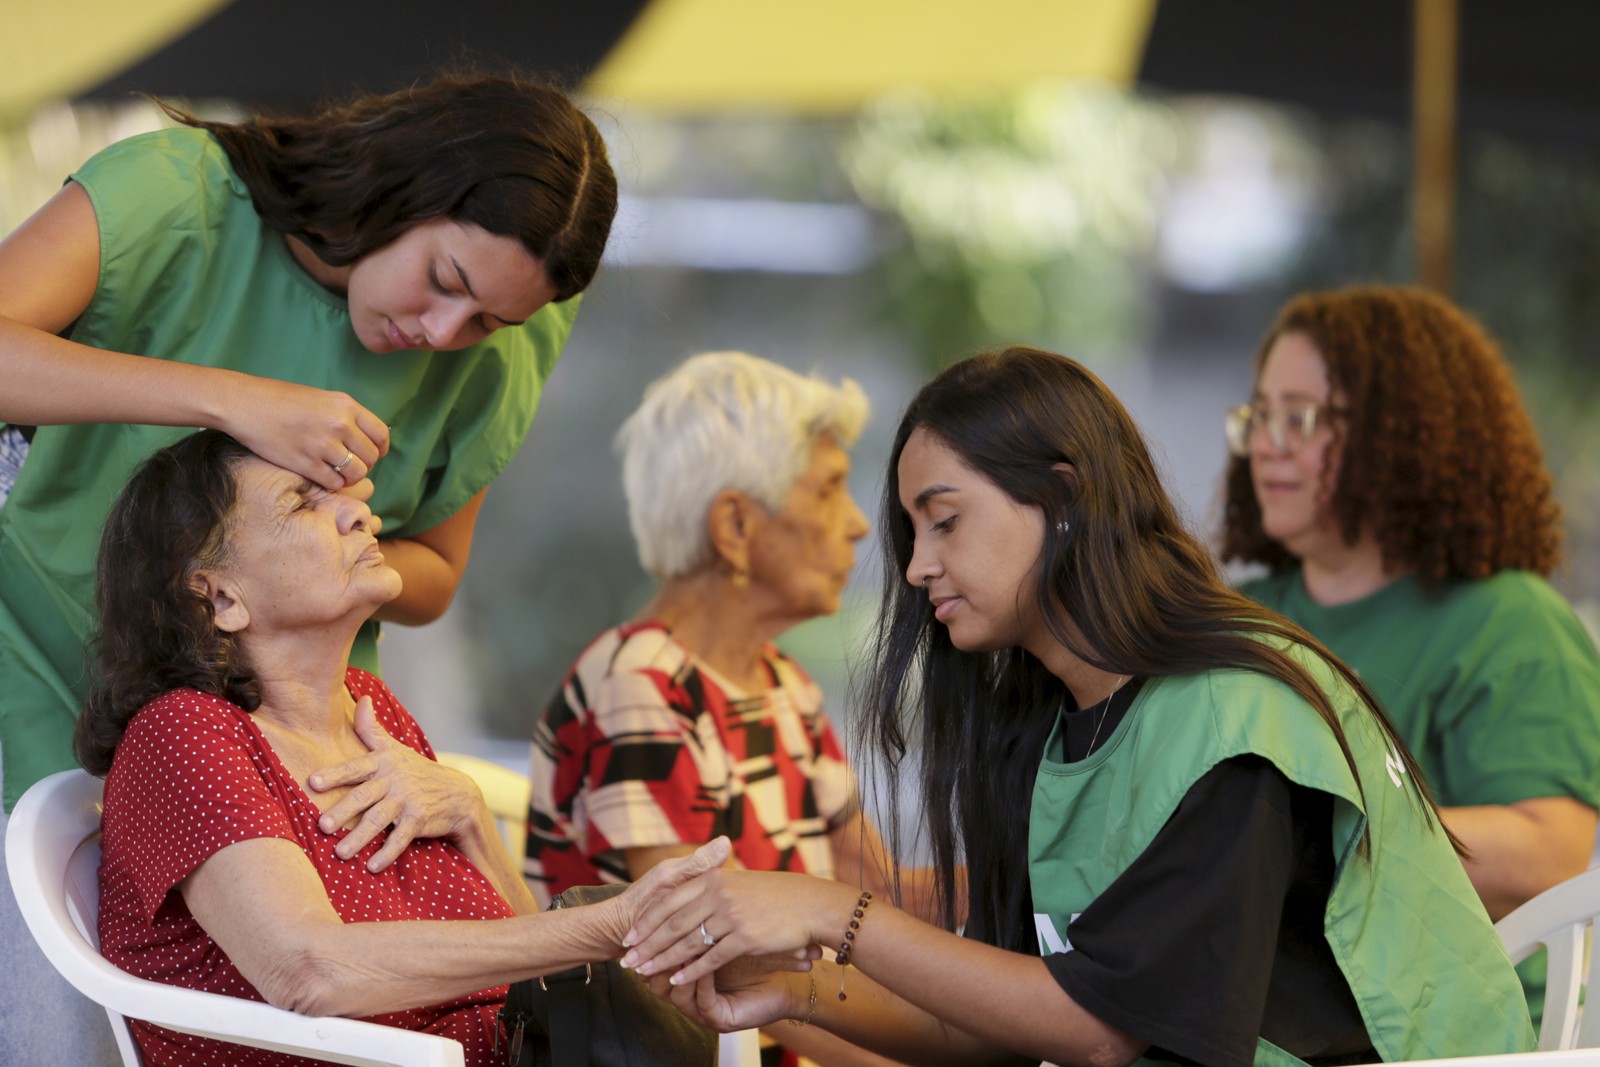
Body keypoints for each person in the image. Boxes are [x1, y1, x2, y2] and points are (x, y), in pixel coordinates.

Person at [621, 347, 1534, 1067]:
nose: (914, 566)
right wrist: (796, 989)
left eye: (944, 521)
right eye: (914, 531)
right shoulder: (1047, 719)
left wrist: (828, 913)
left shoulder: (1238, 717)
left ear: (1062, 498)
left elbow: (1099, 1030)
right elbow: (1014, 1023)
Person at [0, 71, 616, 1059]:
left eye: (487, 323)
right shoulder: (181, 196)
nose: (446, 336)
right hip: (38, 671)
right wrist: (228, 400)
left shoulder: (501, 336)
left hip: (297, 732)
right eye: (446, 282)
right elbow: (311, 969)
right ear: (404, 187)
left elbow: (439, 572)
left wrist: (349, 547)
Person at [79, 429, 731, 1066]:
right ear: (221, 597)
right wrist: (610, 924)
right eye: (305, 501)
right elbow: (309, 970)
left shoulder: (368, 705)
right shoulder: (183, 733)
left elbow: (533, 973)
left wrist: (473, 817)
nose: (360, 511)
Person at [525, 351, 926, 1066]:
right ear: (735, 526)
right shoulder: (641, 684)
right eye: (830, 490)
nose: (860, 525)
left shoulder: (783, 685)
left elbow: (880, 896)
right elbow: (714, 957)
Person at [1218, 285, 1600, 1018]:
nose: (1267, 443)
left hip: (1457, 1032)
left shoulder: (1509, 621)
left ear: (1403, 433)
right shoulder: (1240, 617)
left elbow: (1546, 856)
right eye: (1258, 416)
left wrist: (1305, 840)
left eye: (1298, 418)